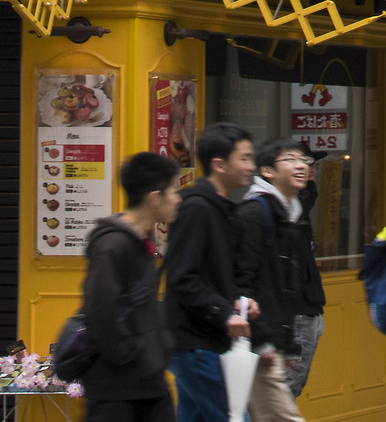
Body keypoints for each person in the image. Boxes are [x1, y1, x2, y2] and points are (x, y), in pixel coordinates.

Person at [163, 122, 259, 422]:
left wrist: (241, 300)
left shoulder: (223, 210)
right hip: (196, 344)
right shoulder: (197, 209)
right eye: (243, 158)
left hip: (204, 342)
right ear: (219, 164)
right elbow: (183, 277)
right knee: (234, 417)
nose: (251, 166)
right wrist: (223, 313)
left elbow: (215, 274)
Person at [82, 150, 182, 422]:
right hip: (117, 388)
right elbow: (101, 310)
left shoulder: (141, 242)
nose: (178, 199)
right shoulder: (112, 245)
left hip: (147, 381)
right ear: (154, 198)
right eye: (174, 191)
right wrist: (131, 353)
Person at [234, 138, 325, 422]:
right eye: (290, 159)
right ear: (267, 171)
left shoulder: (290, 213)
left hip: (280, 338)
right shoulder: (256, 213)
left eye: (306, 161)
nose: (302, 166)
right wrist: (263, 341)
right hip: (264, 341)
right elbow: (242, 281)